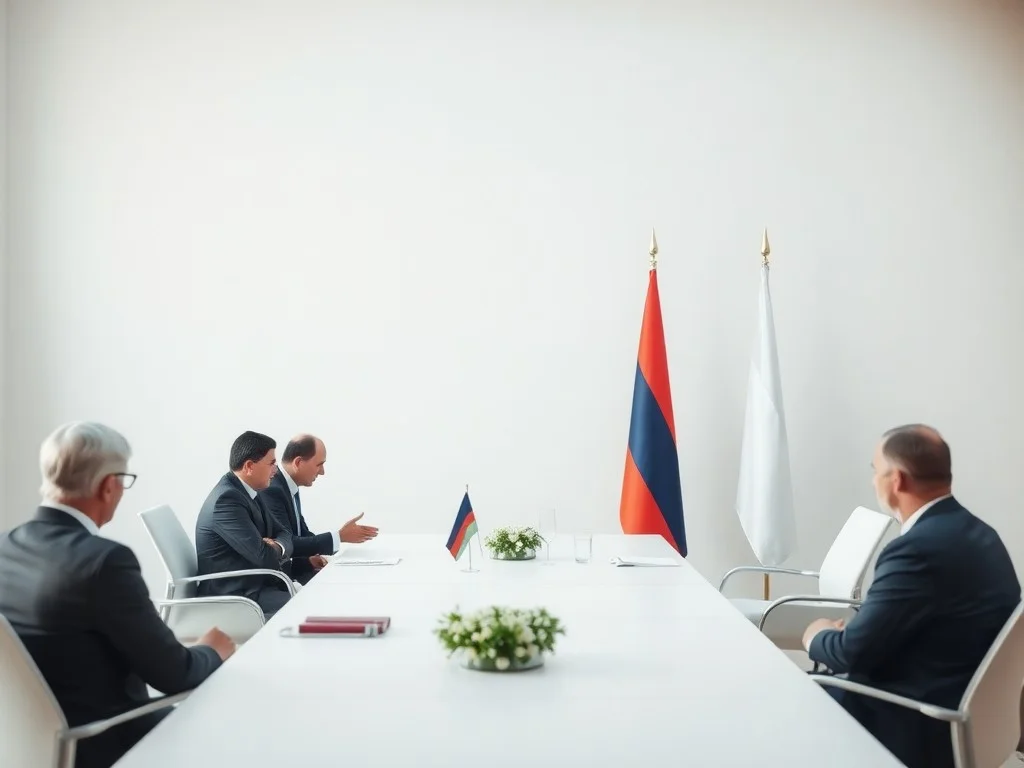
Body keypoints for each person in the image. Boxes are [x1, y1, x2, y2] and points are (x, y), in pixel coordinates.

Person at [0, 422, 235, 768]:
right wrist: (211, 650)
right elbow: (175, 675)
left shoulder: (5, 547)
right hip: (103, 741)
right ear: (108, 486)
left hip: (22, 745)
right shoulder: (104, 562)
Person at [803, 424, 1020, 768]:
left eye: (875, 470)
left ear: (897, 480)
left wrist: (815, 635)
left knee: (788, 699)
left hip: (915, 723)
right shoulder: (982, 535)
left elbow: (851, 655)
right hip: (970, 716)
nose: (873, 480)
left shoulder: (915, 550)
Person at [195, 431, 295, 617]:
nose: (275, 470)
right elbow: (264, 558)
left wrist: (276, 546)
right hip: (236, 597)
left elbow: (284, 533)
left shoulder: (248, 490)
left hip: (255, 587)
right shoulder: (227, 500)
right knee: (308, 605)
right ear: (249, 466)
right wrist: (274, 548)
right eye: (271, 463)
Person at [258, 434, 379, 584]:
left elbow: (302, 533)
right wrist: (339, 536)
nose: (322, 472)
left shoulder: (289, 487)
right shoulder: (273, 490)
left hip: (294, 571)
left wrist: (309, 559)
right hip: (277, 581)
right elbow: (287, 542)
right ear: (298, 462)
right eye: (319, 464)